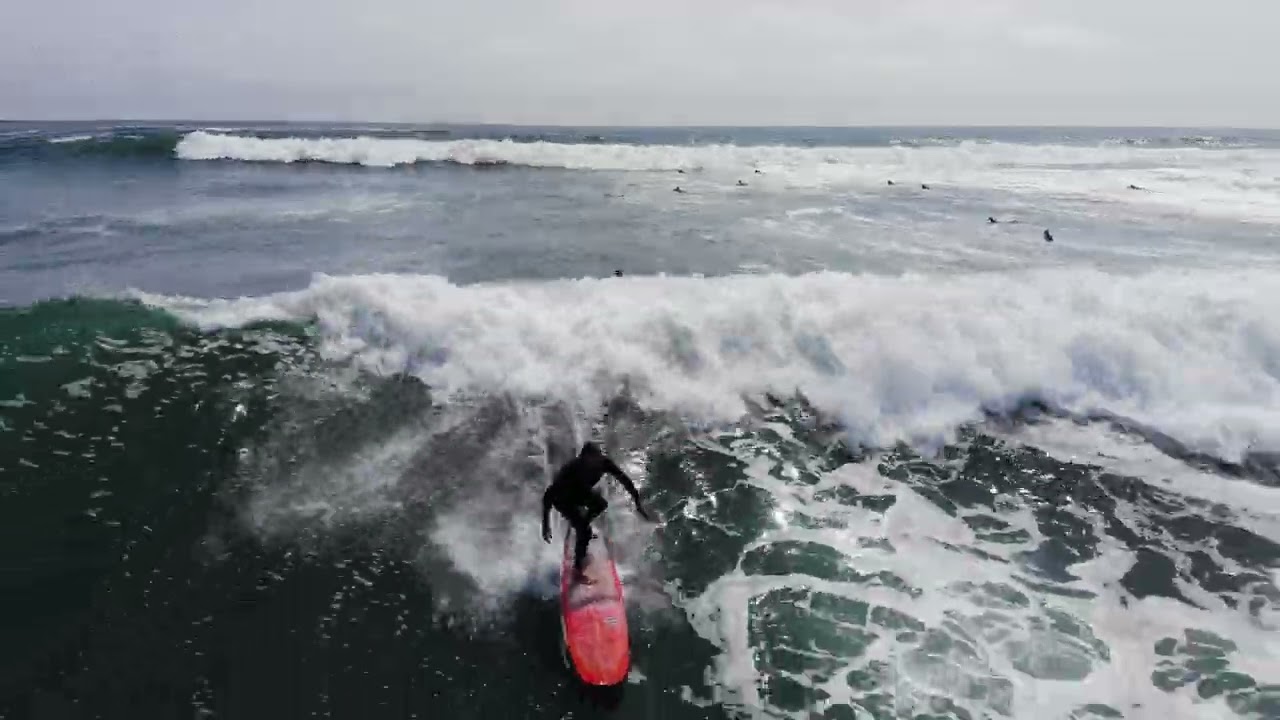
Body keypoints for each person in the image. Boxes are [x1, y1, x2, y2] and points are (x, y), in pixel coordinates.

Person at [542, 442, 650, 583]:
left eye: (594, 459)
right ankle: (577, 571)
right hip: (563, 499)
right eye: (587, 460)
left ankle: (581, 525)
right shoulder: (572, 469)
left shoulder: (604, 463)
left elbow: (625, 481)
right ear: (583, 458)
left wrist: (637, 503)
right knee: (585, 531)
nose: (591, 463)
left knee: (600, 505)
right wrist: (546, 524)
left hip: (581, 493)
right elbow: (549, 495)